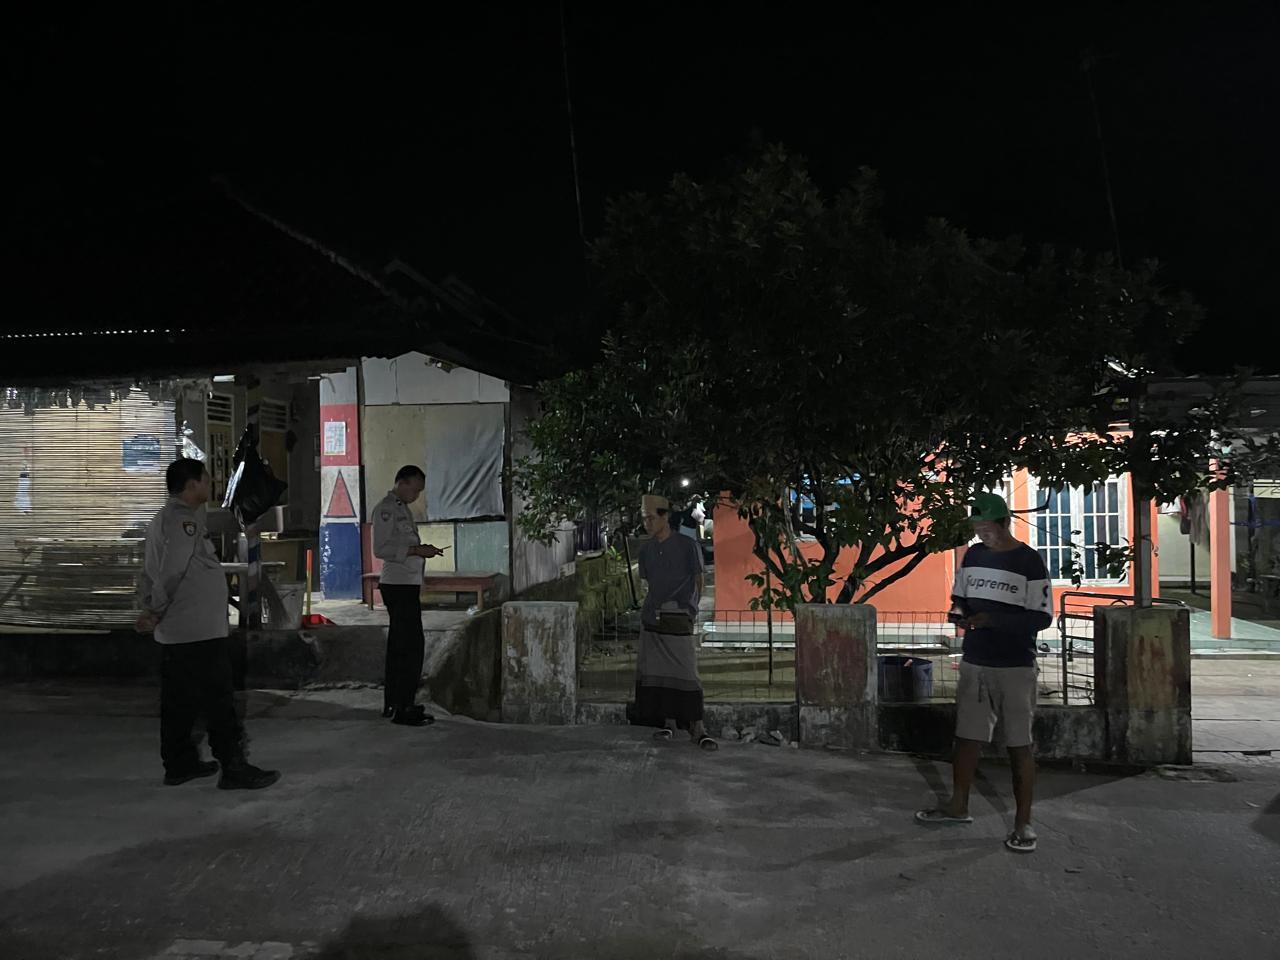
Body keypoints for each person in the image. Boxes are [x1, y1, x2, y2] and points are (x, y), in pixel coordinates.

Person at [914, 492, 1052, 852]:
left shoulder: (1029, 561)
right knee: (966, 738)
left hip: (1015, 665)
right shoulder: (973, 556)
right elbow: (959, 597)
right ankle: (958, 806)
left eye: (986, 528)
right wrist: (959, 612)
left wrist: (994, 620)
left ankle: (1024, 824)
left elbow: (1042, 617)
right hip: (975, 661)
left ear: (1005, 522)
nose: (981, 534)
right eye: (977, 529)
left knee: (1019, 745)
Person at [137, 458, 280, 790]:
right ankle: (233, 767)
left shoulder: (165, 517)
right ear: (191, 485)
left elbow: (151, 570)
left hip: (180, 630)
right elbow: (171, 571)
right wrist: (155, 609)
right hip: (196, 629)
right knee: (219, 700)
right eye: (205, 479)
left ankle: (179, 763)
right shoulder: (183, 521)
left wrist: (151, 608)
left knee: (179, 701)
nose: (210, 483)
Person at [634, 494, 716, 750]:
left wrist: (690, 608)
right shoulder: (646, 549)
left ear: (665, 517)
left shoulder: (687, 545)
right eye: (644, 518)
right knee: (657, 673)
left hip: (678, 614)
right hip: (653, 616)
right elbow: (647, 583)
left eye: (651, 518)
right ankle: (668, 722)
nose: (647, 523)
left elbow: (698, 579)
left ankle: (697, 726)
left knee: (686, 672)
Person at [372, 465, 445, 727]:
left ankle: (398, 703)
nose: (417, 496)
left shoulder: (402, 509)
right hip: (397, 585)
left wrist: (421, 550)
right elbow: (381, 549)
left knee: (403, 646)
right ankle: (402, 708)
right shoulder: (386, 509)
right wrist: (416, 550)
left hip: (406, 584)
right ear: (402, 483)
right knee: (409, 648)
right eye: (415, 490)